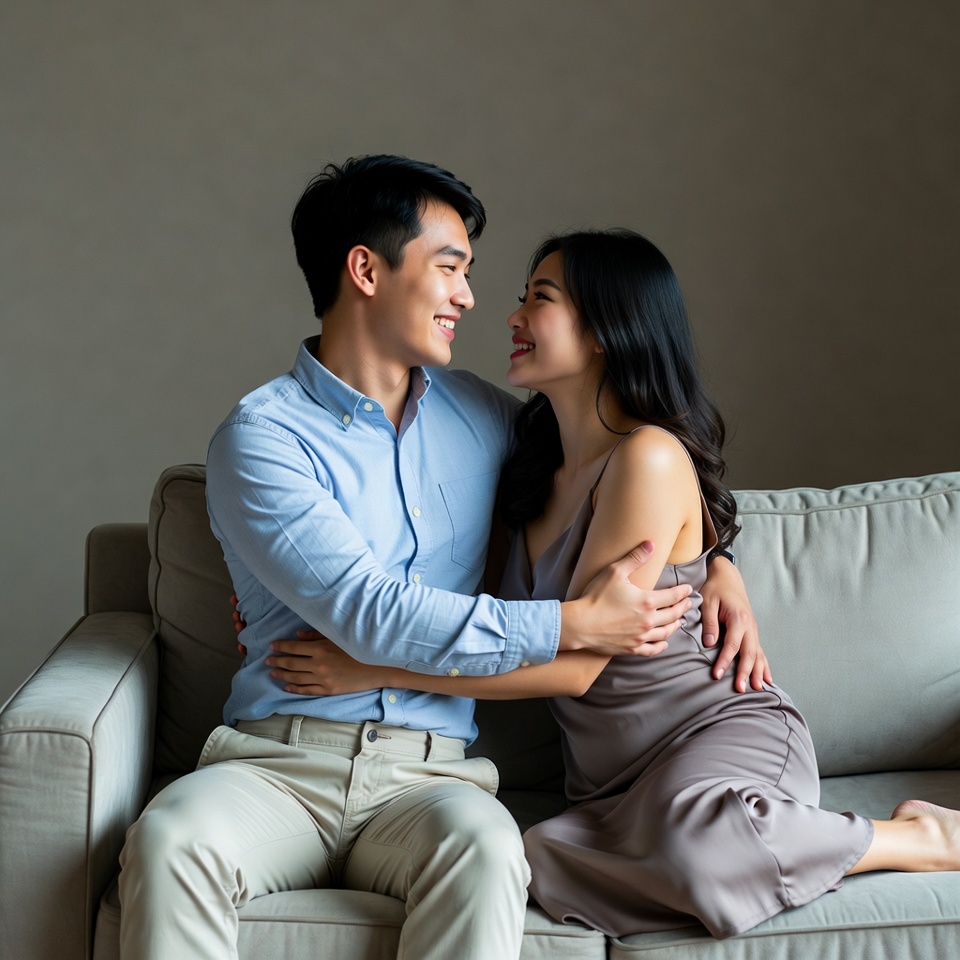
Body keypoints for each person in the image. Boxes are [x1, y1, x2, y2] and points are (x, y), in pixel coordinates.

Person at [117, 158, 765, 960]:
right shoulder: (261, 438)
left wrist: (717, 563)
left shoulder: (490, 420)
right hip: (276, 765)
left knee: (492, 853)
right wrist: (572, 623)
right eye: (450, 268)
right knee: (170, 838)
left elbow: (630, 453)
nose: (469, 297)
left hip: (433, 780)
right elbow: (367, 612)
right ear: (365, 270)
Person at [270, 228, 960, 941]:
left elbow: (575, 667)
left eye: (539, 299)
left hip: (714, 740)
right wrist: (285, 589)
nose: (510, 316)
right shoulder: (526, 463)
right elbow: (427, 564)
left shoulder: (648, 458)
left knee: (701, 849)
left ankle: (916, 840)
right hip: (612, 785)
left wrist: (369, 666)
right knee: (527, 855)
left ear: (606, 328)